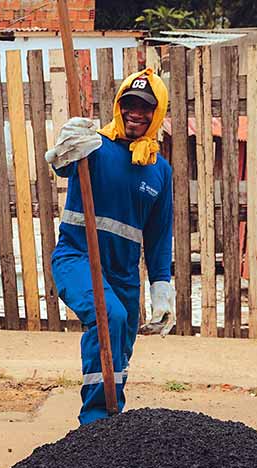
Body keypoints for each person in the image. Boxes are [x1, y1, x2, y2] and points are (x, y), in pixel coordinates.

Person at [45, 68, 175, 425]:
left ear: (157, 113)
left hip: (124, 275)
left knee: (121, 347)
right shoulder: (94, 146)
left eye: (145, 107)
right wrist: (67, 146)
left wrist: (161, 290)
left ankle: (113, 431)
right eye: (129, 104)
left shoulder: (159, 171)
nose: (136, 112)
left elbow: (160, 236)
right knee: (108, 319)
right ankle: (96, 423)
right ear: (119, 106)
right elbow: (60, 165)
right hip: (77, 257)